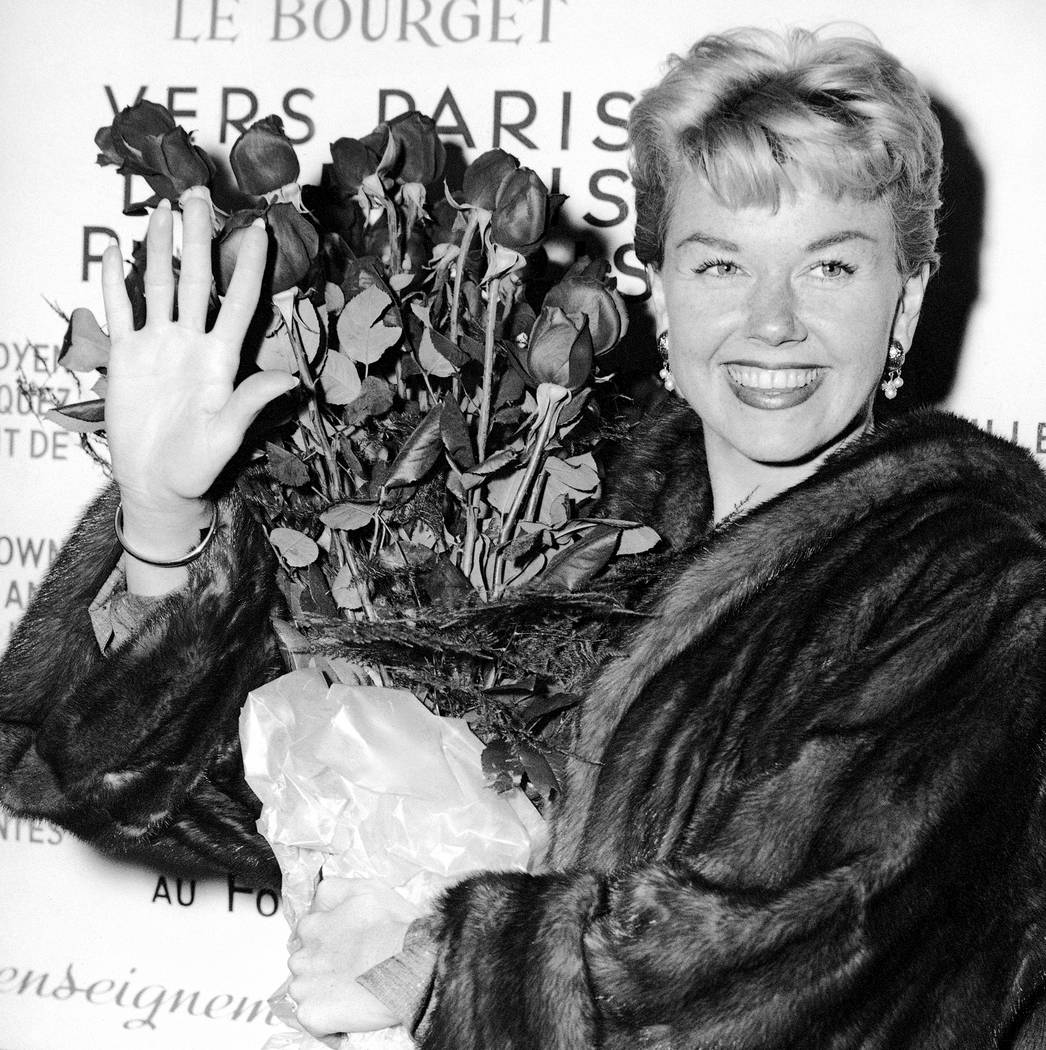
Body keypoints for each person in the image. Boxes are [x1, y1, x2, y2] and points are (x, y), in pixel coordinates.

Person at [2, 23, 1046, 1048]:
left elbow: (813, 946)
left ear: (902, 299)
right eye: (720, 265)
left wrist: (428, 966)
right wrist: (163, 517)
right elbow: (175, 805)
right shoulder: (546, 497)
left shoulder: (982, 590)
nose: (770, 319)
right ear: (663, 295)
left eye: (828, 269)